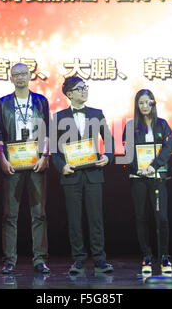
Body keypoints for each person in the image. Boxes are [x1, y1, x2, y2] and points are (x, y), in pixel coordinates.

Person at [51, 76, 115, 275]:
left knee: (96, 218)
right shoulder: (59, 117)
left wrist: (108, 157)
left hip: (94, 173)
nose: (84, 91)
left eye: (85, 87)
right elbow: (54, 149)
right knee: (74, 220)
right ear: (69, 94)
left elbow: (110, 141)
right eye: (79, 89)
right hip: (71, 175)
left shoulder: (97, 113)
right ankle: (78, 260)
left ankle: (100, 260)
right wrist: (61, 166)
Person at [0, 63, 50, 274]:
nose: (20, 77)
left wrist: (45, 155)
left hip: (36, 160)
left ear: (30, 76)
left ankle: (40, 259)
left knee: (39, 213)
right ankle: (9, 260)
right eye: (15, 74)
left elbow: (47, 131)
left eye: (23, 74)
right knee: (10, 214)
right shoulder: (3, 103)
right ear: (11, 78)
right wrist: (2, 158)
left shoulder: (40, 101)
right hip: (13, 161)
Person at [122, 89, 172, 275]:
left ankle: (165, 256)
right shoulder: (130, 126)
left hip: (158, 178)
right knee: (141, 217)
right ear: (137, 105)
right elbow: (128, 152)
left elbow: (168, 149)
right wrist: (139, 168)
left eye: (147, 102)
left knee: (162, 218)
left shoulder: (162, 124)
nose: (144, 106)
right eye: (140, 103)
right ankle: (147, 255)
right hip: (139, 179)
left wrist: (154, 166)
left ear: (153, 103)